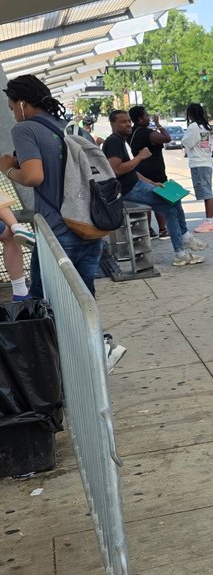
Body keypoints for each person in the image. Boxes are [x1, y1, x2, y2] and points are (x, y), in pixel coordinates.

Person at [0, 74, 126, 367]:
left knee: (44, 301)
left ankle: (58, 367)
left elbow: (34, 176)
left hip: (58, 232)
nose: (11, 113)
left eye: (10, 107)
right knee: (83, 296)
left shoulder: (26, 129)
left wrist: (7, 170)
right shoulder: (62, 126)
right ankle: (96, 351)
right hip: (87, 225)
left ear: (21, 104)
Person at [102, 111, 206, 267]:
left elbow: (130, 170)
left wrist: (151, 182)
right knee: (171, 204)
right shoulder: (113, 142)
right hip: (129, 190)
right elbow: (116, 170)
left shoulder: (119, 141)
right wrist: (140, 157)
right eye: (123, 122)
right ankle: (183, 244)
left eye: (129, 121)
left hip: (136, 185)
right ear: (112, 124)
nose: (128, 124)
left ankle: (182, 249)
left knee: (172, 199)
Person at [129, 106, 170, 237]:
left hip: (140, 168)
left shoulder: (132, 132)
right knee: (160, 199)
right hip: (155, 169)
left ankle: (147, 230)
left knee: (145, 202)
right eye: (146, 116)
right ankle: (162, 229)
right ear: (140, 119)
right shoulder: (147, 133)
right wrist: (159, 125)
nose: (148, 118)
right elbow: (166, 138)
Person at [181, 102, 213, 232]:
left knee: (206, 192)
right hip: (206, 162)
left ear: (190, 114)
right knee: (207, 190)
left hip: (198, 162)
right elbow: (210, 145)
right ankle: (210, 220)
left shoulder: (193, 127)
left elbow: (186, 142)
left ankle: (210, 221)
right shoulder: (205, 127)